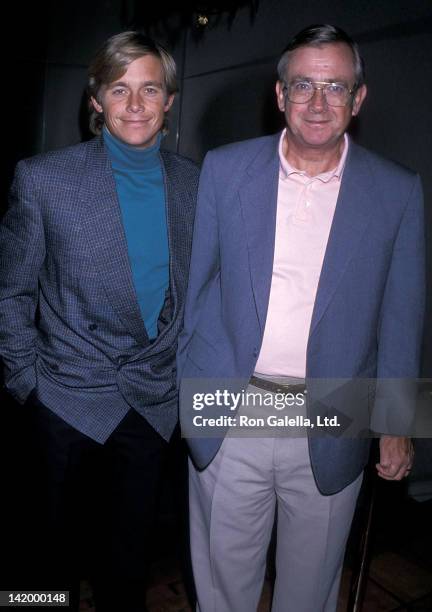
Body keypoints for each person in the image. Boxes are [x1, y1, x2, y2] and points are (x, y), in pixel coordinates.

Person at [177, 24, 425, 612]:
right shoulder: (224, 168)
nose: (318, 102)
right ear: (280, 94)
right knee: (221, 579)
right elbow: (196, 288)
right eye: (304, 85)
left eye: (335, 86)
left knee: (311, 587)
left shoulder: (398, 190)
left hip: (336, 409)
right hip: (231, 405)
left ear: (358, 98)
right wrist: (189, 388)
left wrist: (396, 421)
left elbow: (403, 313)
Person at [0, 31, 198, 612]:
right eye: (119, 89)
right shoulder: (43, 179)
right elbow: (10, 290)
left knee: (126, 564)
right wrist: (26, 383)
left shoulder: (195, 183)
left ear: (169, 100)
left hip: (150, 403)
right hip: (62, 398)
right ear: (97, 101)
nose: (135, 105)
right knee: (41, 563)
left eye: (149, 89)